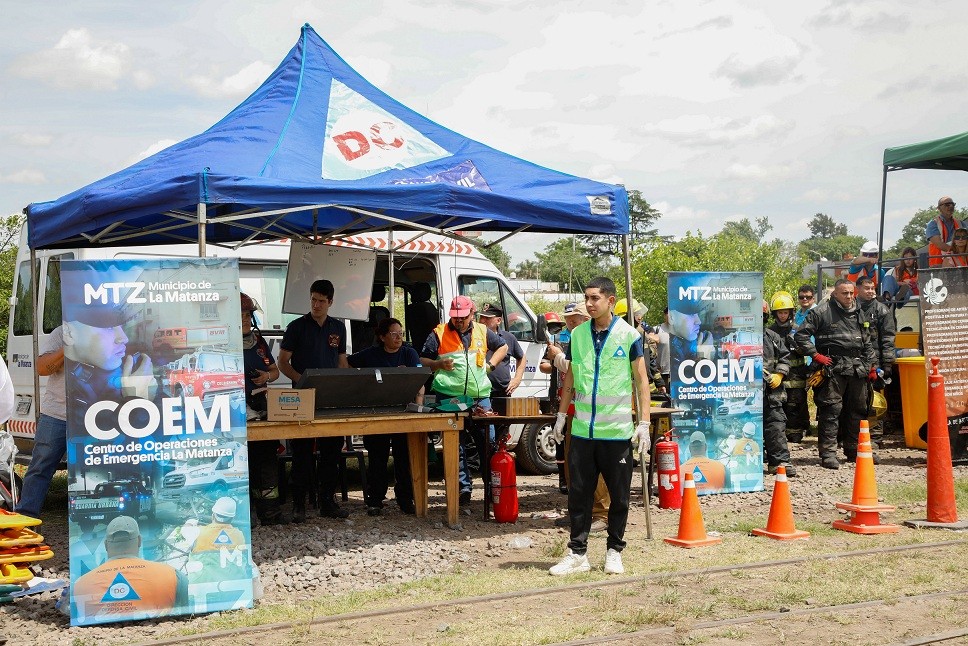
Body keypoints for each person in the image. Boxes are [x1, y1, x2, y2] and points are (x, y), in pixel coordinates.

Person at [549, 277, 650, 577]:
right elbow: (571, 376)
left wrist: (643, 422)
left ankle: (614, 550)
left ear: (610, 300)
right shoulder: (577, 334)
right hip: (582, 431)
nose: (589, 303)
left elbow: (641, 380)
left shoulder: (628, 335)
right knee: (578, 495)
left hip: (616, 432)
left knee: (619, 497)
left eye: (595, 298)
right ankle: (577, 553)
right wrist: (561, 415)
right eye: (587, 298)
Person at [421, 295, 507, 504]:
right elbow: (422, 359)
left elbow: (503, 347)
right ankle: (462, 490)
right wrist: (438, 365)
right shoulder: (438, 333)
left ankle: (492, 489)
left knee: (488, 444)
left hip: (479, 398)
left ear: (472, 314)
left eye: (463, 317)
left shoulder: (482, 330)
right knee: (455, 447)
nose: (459, 321)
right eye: (455, 317)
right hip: (450, 397)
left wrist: (491, 365)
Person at [278, 279, 350, 522]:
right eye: (313, 299)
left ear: (330, 302)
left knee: (331, 451)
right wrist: (302, 380)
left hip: (329, 397)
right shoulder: (296, 326)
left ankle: (327, 502)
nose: (316, 304)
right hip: (301, 397)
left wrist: (345, 386)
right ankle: (299, 505)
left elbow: (341, 362)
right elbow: (283, 362)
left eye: (321, 300)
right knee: (301, 452)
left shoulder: (338, 328)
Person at [795, 279, 876, 469]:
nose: (848, 296)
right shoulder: (821, 312)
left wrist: (871, 366)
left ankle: (852, 450)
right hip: (832, 368)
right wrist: (816, 355)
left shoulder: (860, 312)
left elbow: (868, 341)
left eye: (850, 293)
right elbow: (801, 335)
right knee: (830, 411)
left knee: (857, 411)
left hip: (857, 369)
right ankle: (828, 453)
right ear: (835, 295)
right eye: (844, 293)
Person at [543, 302, 610, 534]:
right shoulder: (577, 338)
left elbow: (579, 369)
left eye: (574, 318)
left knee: (594, 464)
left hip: (593, 410)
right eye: (568, 319)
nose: (569, 323)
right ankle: (579, 511)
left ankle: (601, 513)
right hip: (574, 409)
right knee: (574, 464)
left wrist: (558, 357)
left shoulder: (594, 337)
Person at [348, 317, 422, 516]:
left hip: (403, 412)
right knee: (377, 457)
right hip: (377, 412)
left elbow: (419, 380)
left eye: (401, 333)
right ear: (382, 337)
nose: (398, 337)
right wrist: (360, 387)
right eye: (393, 334)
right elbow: (346, 363)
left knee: (403, 457)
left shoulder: (409, 353)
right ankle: (375, 499)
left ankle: (405, 498)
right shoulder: (370, 355)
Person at [72, 516, 188, 622]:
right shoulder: (173, 576)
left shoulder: (79, 585)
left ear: (106, 545)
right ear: (139, 541)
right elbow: (184, 618)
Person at [240, 293, 287, 526]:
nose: (246, 319)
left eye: (248, 315)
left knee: (267, 460)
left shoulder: (258, 343)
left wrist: (266, 376)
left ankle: (270, 512)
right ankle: (244, 516)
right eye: (241, 315)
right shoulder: (221, 343)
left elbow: (275, 372)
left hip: (262, 410)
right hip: (236, 413)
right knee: (241, 464)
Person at [16, 326, 68, 520]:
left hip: (92, 417)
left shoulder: (109, 332)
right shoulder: (63, 332)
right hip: (57, 414)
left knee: (93, 467)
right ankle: (24, 522)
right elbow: (42, 368)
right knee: (40, 468)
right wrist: (68, 347)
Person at [856, 276, 896, 448]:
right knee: (856, 398)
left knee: (875, 399)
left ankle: (876, 436)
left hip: (876, 363)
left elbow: (888, 338)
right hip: (855, 362)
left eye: (873, 288)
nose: (871, 291)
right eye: (867, 288)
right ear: (858, 289)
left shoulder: (882, 310)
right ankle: (854, 433)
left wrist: (887, 363)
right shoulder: (851, 308)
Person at [769, 292, 808, 444]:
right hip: (776, 376)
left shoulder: (798, 329)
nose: (783, 315)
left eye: (786, 312)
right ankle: (779, 436)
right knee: (778, 406)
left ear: (791, 313)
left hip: (796, 377)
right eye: (780, 312)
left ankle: (795, 434)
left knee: (795, 405)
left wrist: (798, 346)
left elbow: (807, 350)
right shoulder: (770, 332)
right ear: (775, 313)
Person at [762, 301, 796, 476]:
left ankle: (779, 462)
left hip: (770, 392)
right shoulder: (733, 337)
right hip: (741, 394)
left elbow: (785, 357)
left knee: (775, 424)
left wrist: (780, 374)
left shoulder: (771, 337)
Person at [478, 305, 527, 398]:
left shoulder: (508, 337)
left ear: (498, 321)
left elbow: (522, 357)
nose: (482, 321)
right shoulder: (474, 336)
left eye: (487, 318)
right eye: (481, 317)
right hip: (479, 392)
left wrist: (517, 379)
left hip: (502, 392)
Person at [926, 196, 965, 267]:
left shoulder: (961, 223)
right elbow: (939, 244)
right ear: (939, 208)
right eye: (947, 204)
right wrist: (958, 252)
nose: (950, 206)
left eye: (952, 204)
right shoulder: (933, 224)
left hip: (960, 263)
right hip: (938, 265)